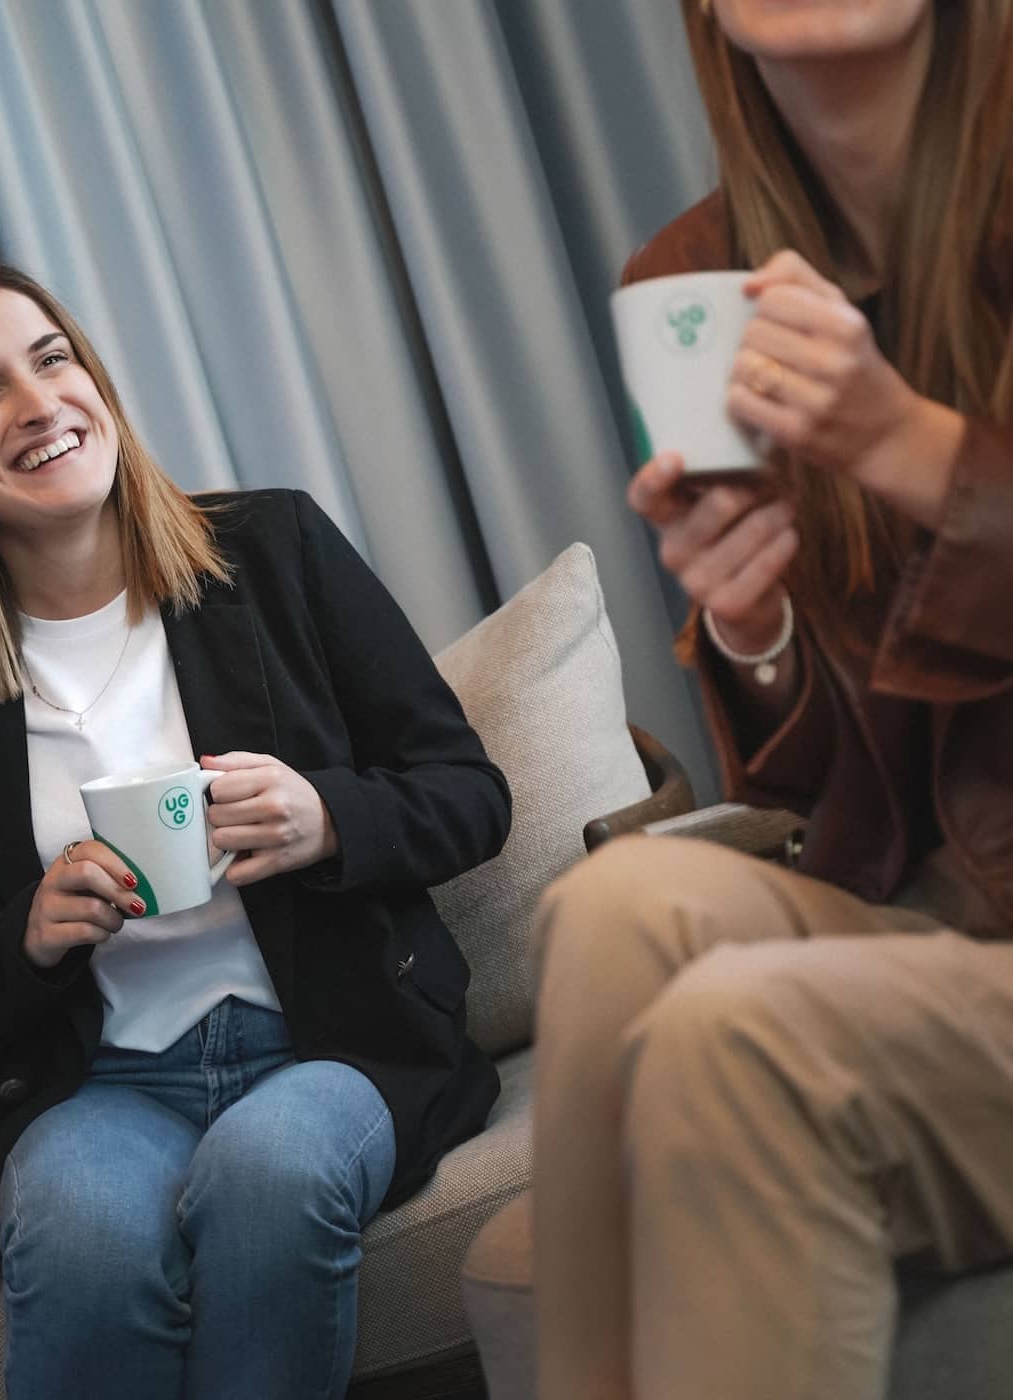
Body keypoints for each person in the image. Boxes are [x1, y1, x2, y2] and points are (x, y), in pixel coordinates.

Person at [0, 258, 510, 1398]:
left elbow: (465, 790)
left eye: (51, 360)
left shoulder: (275, 549)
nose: (38, 402)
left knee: (267, 1170)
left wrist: (325, 816)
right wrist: (33, 932)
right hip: (102, 1081)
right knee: (78, 1229)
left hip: (334, 1040)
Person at [532, 2, 1013, 1398]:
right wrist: (757, 635)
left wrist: (915, 448)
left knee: (730, 1036)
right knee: (610, 912)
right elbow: (818, 811)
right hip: (937, 914)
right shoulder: (693, 279)